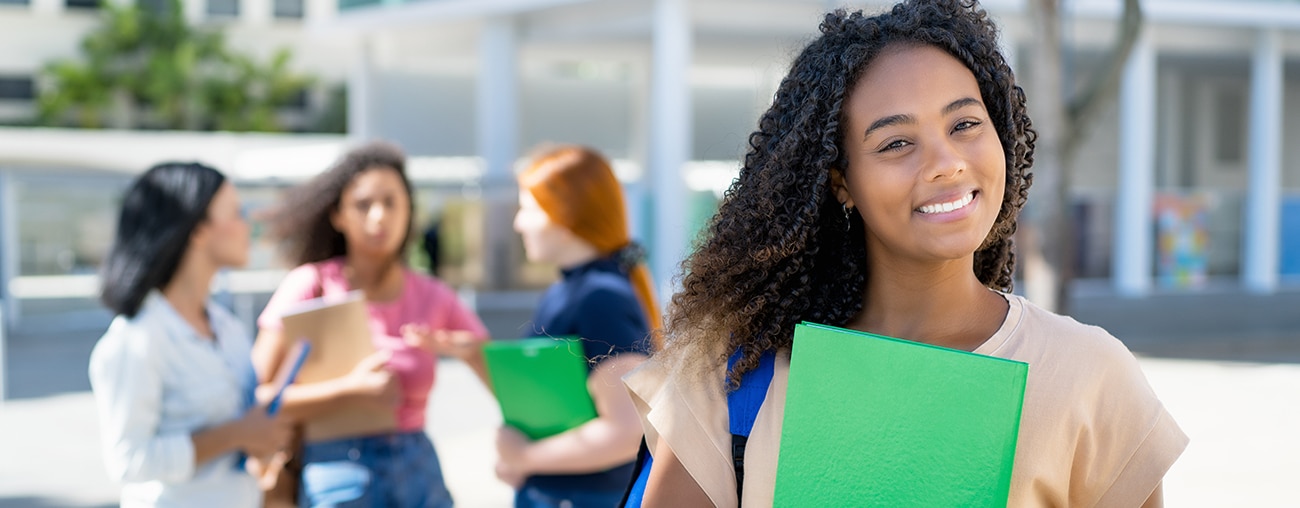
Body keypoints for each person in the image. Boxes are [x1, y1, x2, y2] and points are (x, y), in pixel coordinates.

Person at [622, 1, 1188, 507]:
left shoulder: (1090, 373)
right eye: (896, 143)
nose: (946, 162)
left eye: (965, 123)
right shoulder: (735, 374)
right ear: (841, 180)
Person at [253, 141, 490, 508]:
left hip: (419, 471)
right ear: (338, 215)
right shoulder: (309, 285)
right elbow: (258, 398)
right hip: (337, 472)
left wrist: (464, 350)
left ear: (409, 210)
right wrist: (351, 391)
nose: (379, 217)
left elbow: (498, 372)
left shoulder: (434, 295)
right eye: (363, 205)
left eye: (391, 203)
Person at [89, 162, 290, 507]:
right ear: (197, 229)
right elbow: (129, 461)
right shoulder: (136, 339)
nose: (248, 225)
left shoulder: (227, 328)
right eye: (236, 213)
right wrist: (237, 434)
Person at [495, 145, 661, 508]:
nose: (518, 223)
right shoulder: (574, 290)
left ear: (564, 214)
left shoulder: (600, 298)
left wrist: (524, 456)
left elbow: (625, 432)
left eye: (528, 208)